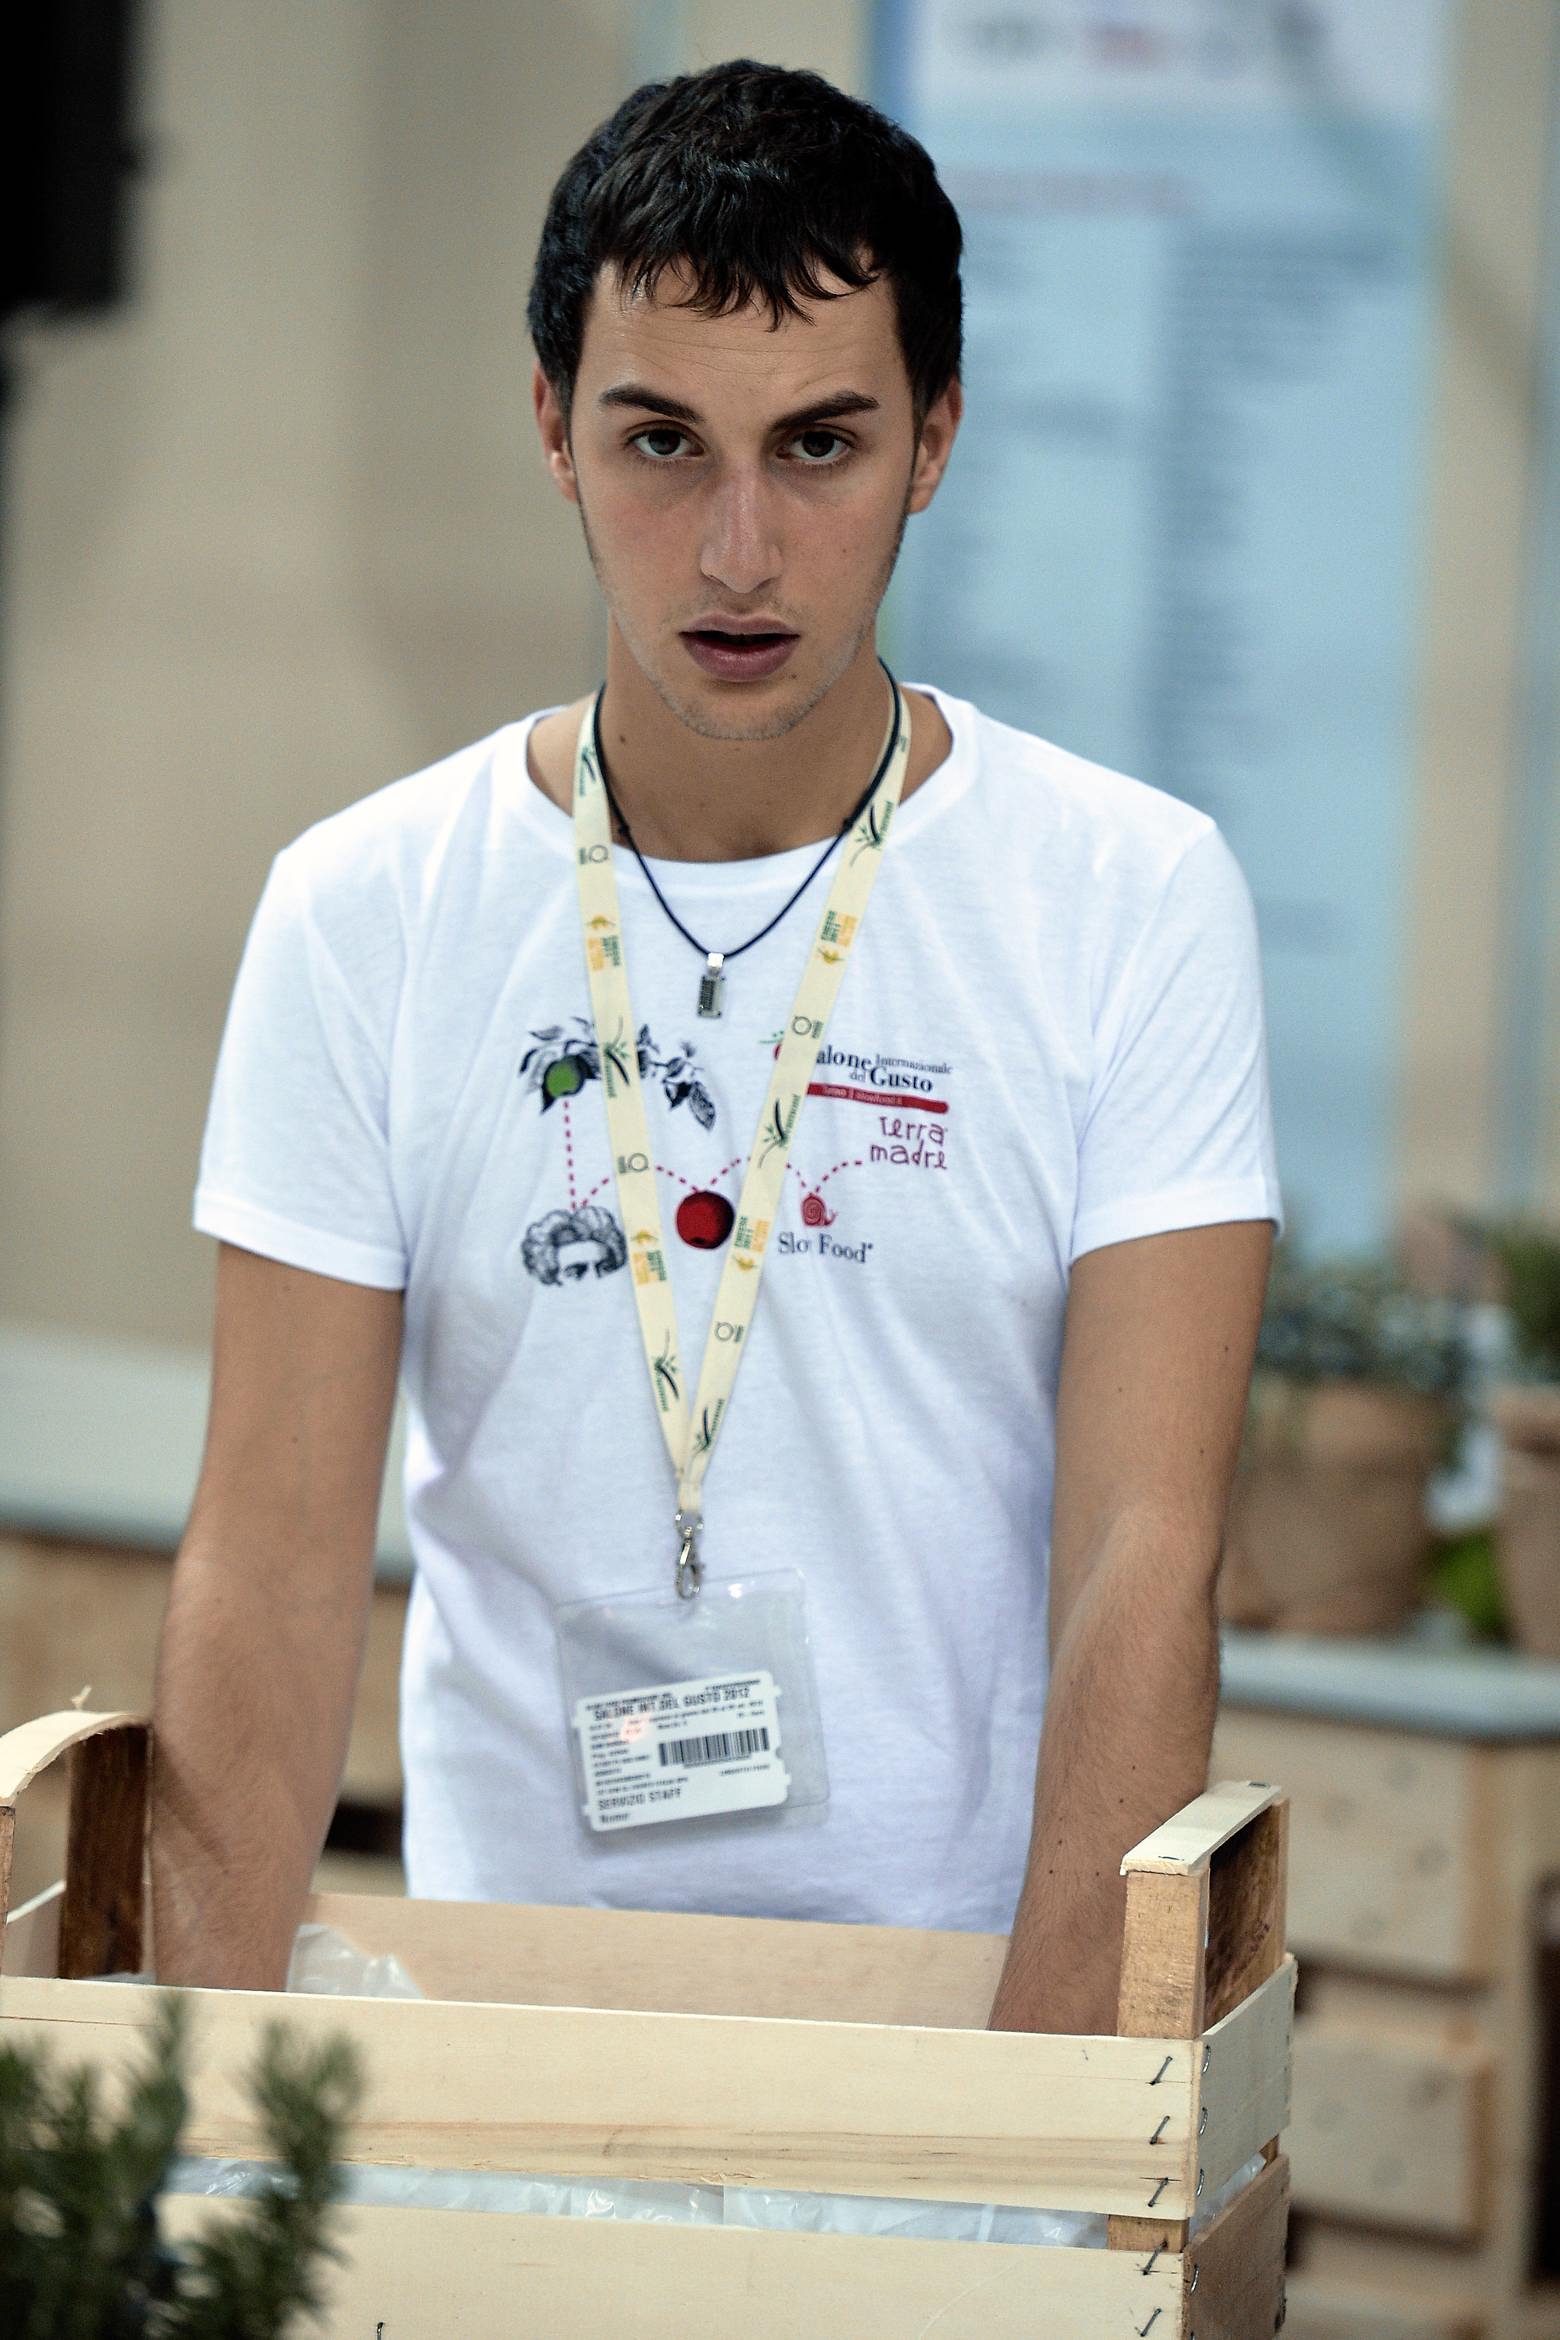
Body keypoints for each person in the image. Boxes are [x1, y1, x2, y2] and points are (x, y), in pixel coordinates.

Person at [153, 59, 1282, 2031]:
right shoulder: (365, 909)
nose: (740, 550)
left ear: (935, 440)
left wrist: (1033, 2130)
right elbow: (267, 1565)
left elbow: (1143, 1556)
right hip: (504, 2023)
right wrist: (200, 2122)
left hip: (955, 2008)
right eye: (663, 442)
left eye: (820, 444)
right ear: (553, 429)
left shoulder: (1128, 895)